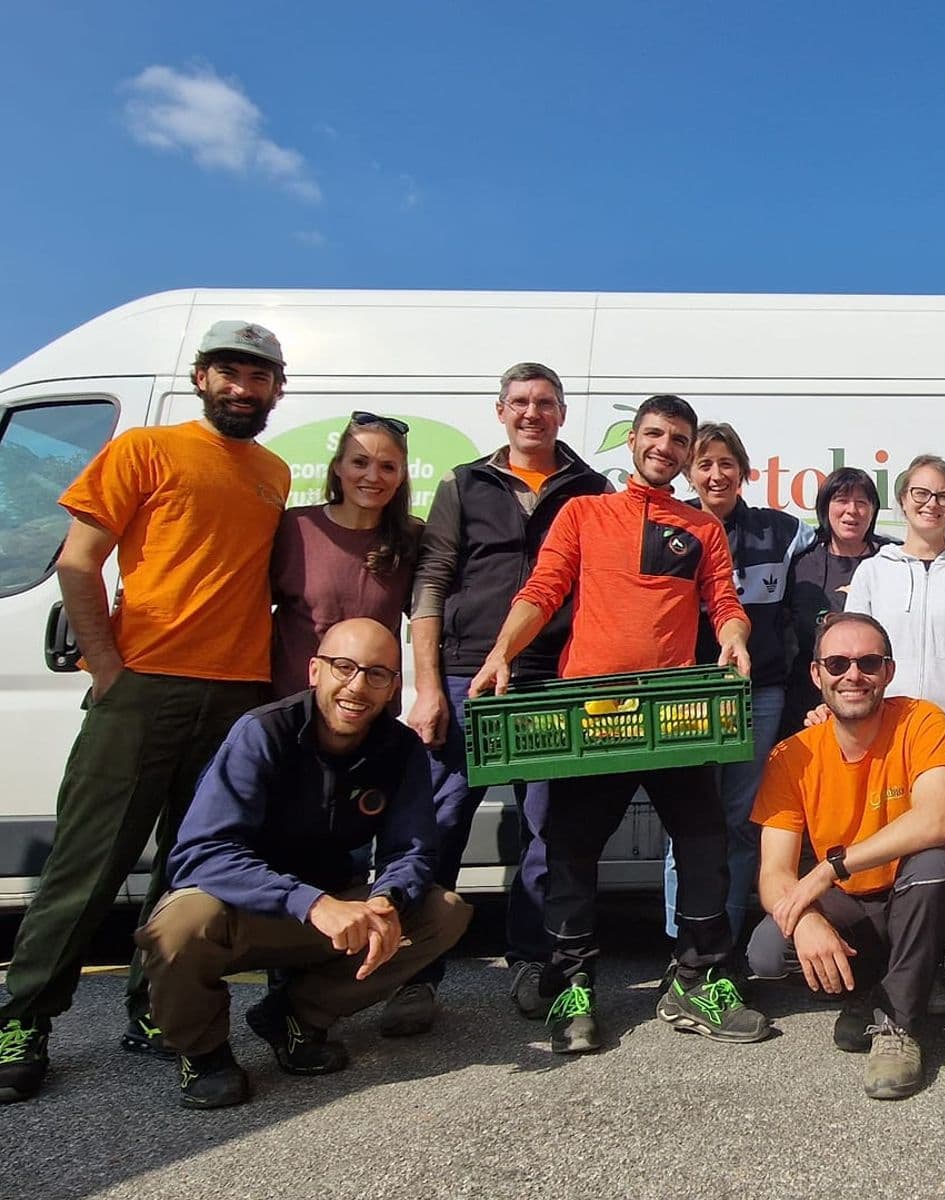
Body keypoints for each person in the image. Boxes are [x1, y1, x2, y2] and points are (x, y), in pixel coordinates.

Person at [0, 321, 291, 1106]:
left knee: (188, 867)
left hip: (236, 695)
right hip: (146, 687)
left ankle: (155, 1011)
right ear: (201, 378)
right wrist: (106, 666)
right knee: (88, 866)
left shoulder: (272, 472)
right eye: (229, 372)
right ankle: (23, 1020)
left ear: (277, 388)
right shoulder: (145, 449)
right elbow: (78, 561)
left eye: (257, 376)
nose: (242, 388)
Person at [470, 394, 768, 1053]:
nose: (666, 446)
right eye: (655, 433)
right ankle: (571, 986)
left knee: (704, 843)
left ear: (688, 454)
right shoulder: (584, 512)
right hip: (593, 715)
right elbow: (543, 589)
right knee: (571, 851)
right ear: (632, 441)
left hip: (674, 714)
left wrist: (734, 638)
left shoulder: (702, 528)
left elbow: (724, 602)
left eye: (679, 439)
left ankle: (695, 978)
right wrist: (501, 653)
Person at [135, 619, 471, 1109]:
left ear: (393, 688)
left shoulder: (400, 750)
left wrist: (387, 898)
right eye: (344, 667)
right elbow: (201, 853)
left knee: (443, 912)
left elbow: (412, 850)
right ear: (315, 671)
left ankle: (295, 1017)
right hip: (244, 909)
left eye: (376, 674)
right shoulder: (261, 733)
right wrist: (311, 903)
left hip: (329, 912)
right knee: (180, 925)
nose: (357, 686)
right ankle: (203, 1052)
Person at [397, 363, 608, 1034]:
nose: (532, 413)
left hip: (550, 678)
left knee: (546, 831)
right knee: (438, 824)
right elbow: (431, 583)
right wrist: (428, 686)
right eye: (520, 402)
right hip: (466, 676)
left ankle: (532, 962)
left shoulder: (591, 489)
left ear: (562, 414)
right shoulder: (463, 484)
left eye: (545, 402)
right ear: (500, 411)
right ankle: (414, 974)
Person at [747, 612, 945, 1099]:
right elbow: (775, 873)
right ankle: (889, 988)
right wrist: (806, 920)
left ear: (888, 671)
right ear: (816, 674)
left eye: (868, 662)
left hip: (917, 898)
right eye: (838, 663)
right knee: (769, 949)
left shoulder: (922, 721)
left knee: (932, 865)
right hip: (854, 907)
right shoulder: (791, 756)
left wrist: (831, 867)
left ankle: (897, 1025)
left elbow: (936, 820)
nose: (853, 675)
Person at [663, 422, 815, 947]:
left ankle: (720, 942)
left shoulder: (781, 530)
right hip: (687, 696)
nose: (716, 474)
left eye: (726, 463)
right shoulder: (670, 527)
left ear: (744, 471)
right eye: (704, 464)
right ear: (689, 472)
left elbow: (841, 540)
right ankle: (682, 944)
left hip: (760, 693)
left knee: (742, 820)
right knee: (687, 821)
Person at [270, 412, 420, 701]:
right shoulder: (296, 528)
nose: (372, 476)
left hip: (369, 708)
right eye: (360, 463)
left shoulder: (413, 539)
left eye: (387, 467)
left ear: (401, 476)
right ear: (338, 466)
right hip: (293, 706)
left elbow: (432, 621)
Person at [844, 454, 945, 722]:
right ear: (903, 499)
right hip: (882, 728)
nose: (932, 503)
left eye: (944, 496)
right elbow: (853, 653)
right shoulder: (872, 572)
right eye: (921, 493)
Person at [783, 467, 896, 731]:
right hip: (807, 701)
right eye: (842, 500)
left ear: (873, 510)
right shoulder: (800, 564)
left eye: (861, 502)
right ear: (825, 507)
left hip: (874, 697)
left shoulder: (892, 560)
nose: (851, 511)